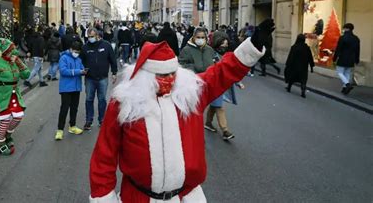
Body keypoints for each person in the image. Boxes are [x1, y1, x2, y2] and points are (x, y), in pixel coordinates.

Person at [89, 19, 275, 202]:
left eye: (172, 73)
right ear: (146, 75)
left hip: (184, 197)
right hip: (138, 197)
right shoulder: (125, 104)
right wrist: (104, 197)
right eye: (162, 75)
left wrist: (252, 46)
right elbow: (104, 157)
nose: (169, 79)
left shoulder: (189, 95)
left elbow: (221, 73)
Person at [0, 38, 30, 155]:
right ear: (5, 52)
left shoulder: (15, 62)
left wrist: (18, 62)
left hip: (14, 95)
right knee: (5, 120)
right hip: (1, 96)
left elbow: (26, 75)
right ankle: (0, 143)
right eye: (11, 51)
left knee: (18, 117)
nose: (13, 53)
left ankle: (8, 134)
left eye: (13, 50)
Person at [205, 33, 243, 139]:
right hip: (214, 84)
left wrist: (238, 82)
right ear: (217, 44)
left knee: (214, 105)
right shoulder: (211, 55)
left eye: (226, 45)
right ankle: (225, 131)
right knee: (219, 107)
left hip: (222, 85)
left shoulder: (226, 56)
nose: (224, 47)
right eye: (222, 44)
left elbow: (230, 71)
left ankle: (208, 123)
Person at [81, 28, 118, 130]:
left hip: (103, 78)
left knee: (102, 100)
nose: (90, 38)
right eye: (88, 37)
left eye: (92, 36)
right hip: (90, 78)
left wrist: (114, 73)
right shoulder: (85, 47)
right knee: (89, 99)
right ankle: (89, 120)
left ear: (97, 36)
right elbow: (81, 61)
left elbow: (112, 59)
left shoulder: (106, 45)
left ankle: (102, 120)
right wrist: (82, 69)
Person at [55, 41, 86, 140]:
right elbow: (63, 71)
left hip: (76, 87)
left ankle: (72, 126)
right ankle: (60, 130)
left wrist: (84, 71)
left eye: (78, 52)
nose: (76, 53)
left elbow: (82, 68)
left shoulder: (79, 59)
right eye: (75, 51)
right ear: (71, 49)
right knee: (64, 108)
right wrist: (78, 72)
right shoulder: (63, 58)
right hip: (66, 88)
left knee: (74, 108)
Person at [284, 34, 315, 98]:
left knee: (291, 78)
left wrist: (287, 65)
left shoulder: (294, 47)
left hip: (294, 67)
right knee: (303, 80)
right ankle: (303, 92)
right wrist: (312, 67)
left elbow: (290, 57)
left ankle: (289, 88)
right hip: (303, 68)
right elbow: (310, 58)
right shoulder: (307, 48)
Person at [333, 23, 360, 94]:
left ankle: (347, 84)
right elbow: (357, 50)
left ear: (347, 28)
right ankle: (345, 88)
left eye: (344, 28)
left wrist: (334, 58)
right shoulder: (356, 38)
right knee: (347, 73)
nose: (343, 29)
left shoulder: (342, 37)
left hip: (343, 57)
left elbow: (338, 49)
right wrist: (357, 59)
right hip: (351, 58)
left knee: (340, 72)